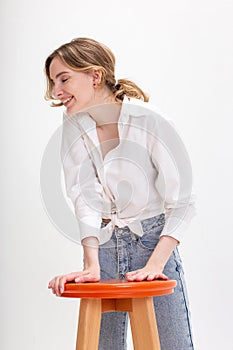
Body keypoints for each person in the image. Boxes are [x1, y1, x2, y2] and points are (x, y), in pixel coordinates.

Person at [45, 37, 196, 350]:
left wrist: (155, 265)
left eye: (63, 79)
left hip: (153, 243)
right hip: (105, 243)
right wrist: (91, 265)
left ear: (95, 76)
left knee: (172, 346)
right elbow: (83, 195)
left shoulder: (151, 121)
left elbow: (183, 202)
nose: (55, 92)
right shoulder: (73, 124)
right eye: (52, 82)